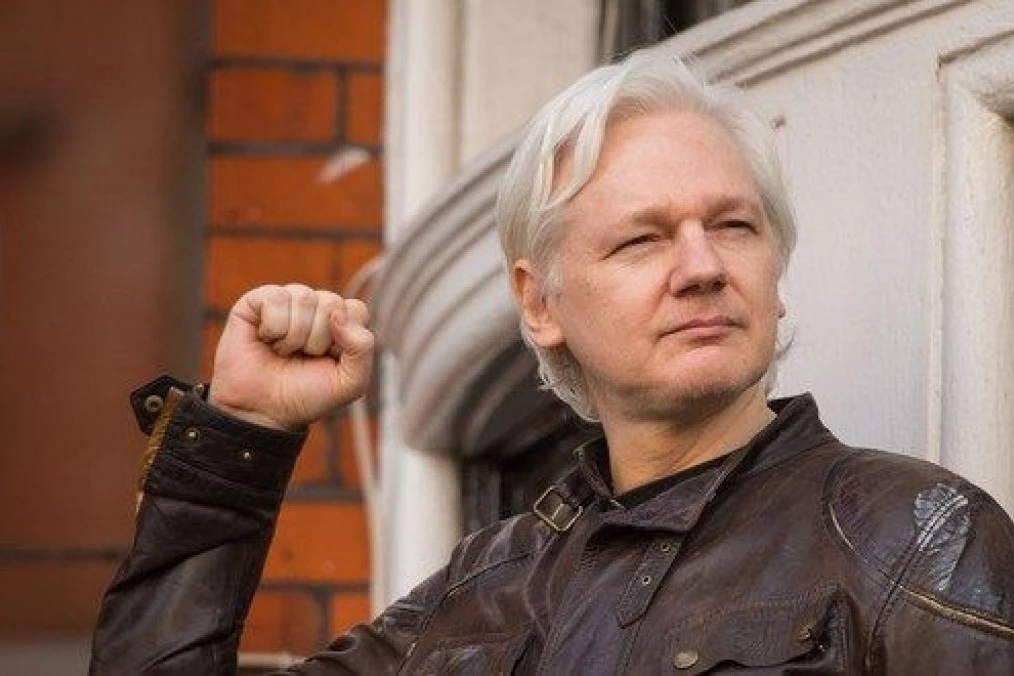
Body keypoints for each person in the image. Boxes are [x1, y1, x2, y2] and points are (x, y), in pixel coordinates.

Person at [90, 51, 1014, 675]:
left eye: (734, 225)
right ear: (540, 304)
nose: (703, 267)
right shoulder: (482, 588)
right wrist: (242, 433)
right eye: (642, 240)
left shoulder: (917, 535)